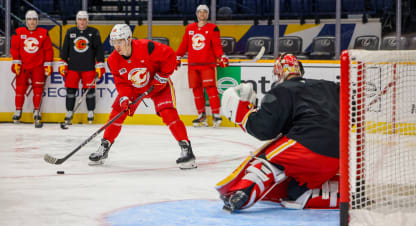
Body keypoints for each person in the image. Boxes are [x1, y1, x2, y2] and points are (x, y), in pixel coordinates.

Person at [217, 53, 340, 212]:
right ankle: (339, 194)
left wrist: (243, 115)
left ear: (281, 72)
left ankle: (240, 194)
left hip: (305, 146)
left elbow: (264, 129)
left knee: (267, 160)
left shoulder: (281, 90)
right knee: (294, 192)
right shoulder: (329, 86)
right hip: (337, 154)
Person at [88, 24, 197, 169]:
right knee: (118, 112)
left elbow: (170, 55)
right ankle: (104, 146)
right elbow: (122, 84)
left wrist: (163, 76)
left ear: (129, 39)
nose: (117, 46)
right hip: (134, 88)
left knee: (168, 113)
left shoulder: (147, 47)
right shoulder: (113, 60)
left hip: (158, 85)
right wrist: (125, 98)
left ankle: (186, 148)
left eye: (120, 41)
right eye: (114, 42)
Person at [176, 4, 229, 128]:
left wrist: (221, 56)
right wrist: (177, 56)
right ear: (197, 14)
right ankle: (201, 114)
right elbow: (184, 45)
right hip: (193, 65)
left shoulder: (213, 28)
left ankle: (216, 114)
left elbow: (217, 46)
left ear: (208, 14)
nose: (202, 14)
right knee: (197, 91)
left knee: (211, 89)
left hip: (208, 64)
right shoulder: (190, 28)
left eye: (205, 12)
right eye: (200, 12)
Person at [58, 10, 105, 124]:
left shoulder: (94, 32)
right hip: (73, 67)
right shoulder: (70, 32)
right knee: (70, 90)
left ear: (87, 21)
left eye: (84, 20)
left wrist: (100, 64)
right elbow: (65, 49)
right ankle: (69, 111)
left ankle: (90, 111)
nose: (82, 22)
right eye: (80, 19)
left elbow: (99, 50)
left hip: (88, 67)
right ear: (76, 21)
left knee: (90, 91)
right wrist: (63, 62)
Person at [10, 10, 53, 125]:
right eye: (29, 19)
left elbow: (48, 50)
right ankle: (18, 110)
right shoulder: (18, 32)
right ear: (26, 21)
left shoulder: (43, 33)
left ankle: (36, 111)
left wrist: (48, 64)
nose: (32, 22)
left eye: (34, 19)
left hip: (38, 66)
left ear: (37, 21)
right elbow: (15, 49)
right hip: (23, 66)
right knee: (20, 89)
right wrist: (16, 62)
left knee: (38, 90)